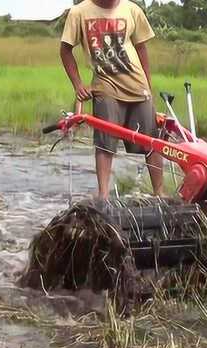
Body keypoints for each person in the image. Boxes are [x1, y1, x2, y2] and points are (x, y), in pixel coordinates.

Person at [60, 0, 163, 200]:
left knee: (152, 141)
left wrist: (148, 88)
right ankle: (104, 195)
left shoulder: (132, 10)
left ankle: (159, 192)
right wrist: (78, 85)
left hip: (136, 84)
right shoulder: (78, 13)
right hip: (105, 85)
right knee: (105, 140)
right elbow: (65, 50)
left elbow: (141, 49)